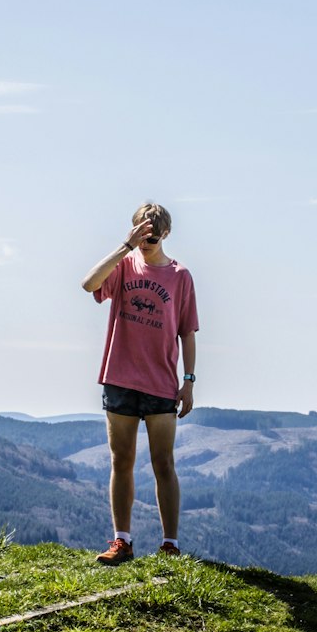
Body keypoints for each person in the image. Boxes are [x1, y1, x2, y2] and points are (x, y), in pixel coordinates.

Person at [81, 202, 199, 562]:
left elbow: (187, 332)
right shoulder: (124, 265)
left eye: (154, 234)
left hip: (161, 383)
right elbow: (89, 284)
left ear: (166, 234)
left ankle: (170, 545)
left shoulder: (180, 276)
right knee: (122, 460)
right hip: (119, 378)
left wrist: (189, 381)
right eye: (142, 233)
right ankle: (122, 541)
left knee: (163, 463)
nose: (147, 241)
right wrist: (124, 246)